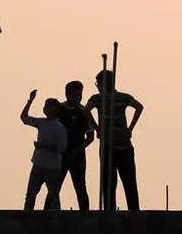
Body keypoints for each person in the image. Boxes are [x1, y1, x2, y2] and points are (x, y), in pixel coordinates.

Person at [85, 69, 144, 210]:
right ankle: (116, 211)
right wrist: (99, 129)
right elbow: (139, 107)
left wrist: (97, 128)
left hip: (118, 147)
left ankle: (127, 212)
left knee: (116, 183)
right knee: (116, 183)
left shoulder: (100, 99)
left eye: (98, 83)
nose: (97, 86)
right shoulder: (105, 98)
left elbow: (86, 110)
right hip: (109, 145)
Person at [43, 81, 97, 211]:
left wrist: (76, 151)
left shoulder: (84, 112)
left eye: (80, 94)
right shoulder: (59, 110)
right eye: (76, 94)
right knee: (54, 188)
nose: (79, 97)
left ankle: (85, 217)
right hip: (59, 156)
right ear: (67, 94)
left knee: (80, 187)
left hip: (77, 157)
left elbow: (91, 137)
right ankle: (46, 216)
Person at [20, 90, 68, 210]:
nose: (45, 108)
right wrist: (30, 100)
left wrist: (43, 147)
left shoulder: (59, 128)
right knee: (30, 194)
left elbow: (61, 148)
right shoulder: (41, 123)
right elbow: (24, 118)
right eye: (45, 105)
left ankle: (57, 219)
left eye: (48, 106)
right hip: (38, 164)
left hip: (52, 168)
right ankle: (27, 218)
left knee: (53, 196)